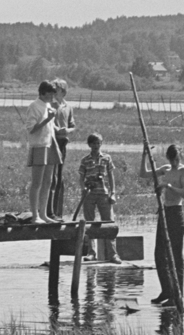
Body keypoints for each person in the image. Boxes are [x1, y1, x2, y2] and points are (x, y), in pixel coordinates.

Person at [140, 143, 184, 306]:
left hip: (176, 214)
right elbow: (144, 174)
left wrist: (168, 186)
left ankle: (177, 295)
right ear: (168, 158)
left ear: (180, 157)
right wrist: (144, 155)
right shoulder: (166, 169)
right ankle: (166, 290)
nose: (175, 162)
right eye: (172, 159)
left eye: (177, 159)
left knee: (176, 256)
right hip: (164, 213)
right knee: (159, 255)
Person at [77, 132, 121, 263]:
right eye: (94, 143)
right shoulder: (85, 160)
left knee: (109, 224)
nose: (96, 146)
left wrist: (113, 193)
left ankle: (113, 254)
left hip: (103, 194)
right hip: (89, 195)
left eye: (98, 143)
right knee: (90, 224)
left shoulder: (107, 158)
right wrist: (83, 188)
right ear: (89, 145)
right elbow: (81, 177)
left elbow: (111, 176)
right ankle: (92, 253)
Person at [25, 81, 61, 223]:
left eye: (54, 93)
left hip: (50, 144)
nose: (53, 96)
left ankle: (44, 214)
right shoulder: (34, 106)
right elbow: (31, 129)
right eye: (50, 93)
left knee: (48, 182)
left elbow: (50, 127)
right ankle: (35, 216)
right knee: (37, 183)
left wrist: (57, 126)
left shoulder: (48, 105)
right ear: (42, 93)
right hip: (38, 146)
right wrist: (47, 119)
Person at [48, 79, 75, 218]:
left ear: (63, 91)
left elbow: (72, 125)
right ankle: (49, 211)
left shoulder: (68, 107)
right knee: (51, 177)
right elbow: (49, 123)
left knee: (59, 177)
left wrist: (67, 131)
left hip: (63, 142)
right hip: (52, 142)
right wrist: (58, 129)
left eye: (56, 88)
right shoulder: (50, 104)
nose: (53, 91)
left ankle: (57, 211)